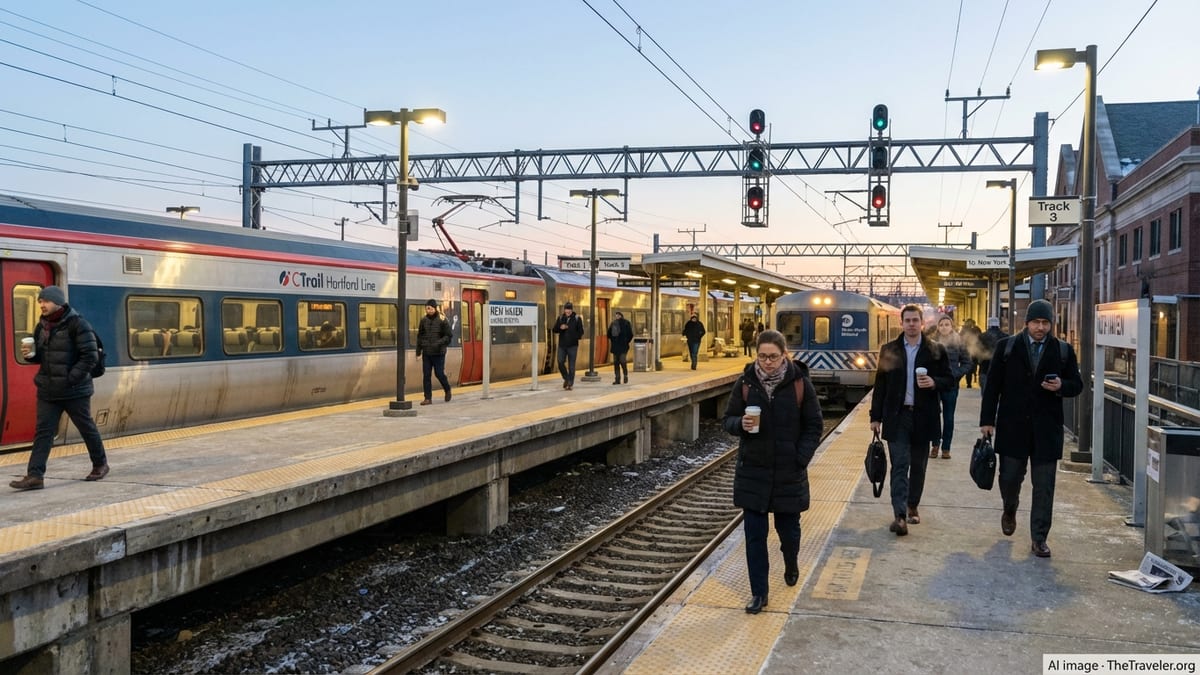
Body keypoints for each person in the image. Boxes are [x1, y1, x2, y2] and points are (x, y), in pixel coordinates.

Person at [722, 330, 822, 614]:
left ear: (784, 355)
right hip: (753, 471)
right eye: (762, 356)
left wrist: (800, 458)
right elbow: (727, 420)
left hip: (788, 472)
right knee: (755, 535)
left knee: (788, 532)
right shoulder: (745, 383)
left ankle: (791, 562)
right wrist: (739, 423)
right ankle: (759, 593)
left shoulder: (799, 383)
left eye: (773, 357)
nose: (767, 362)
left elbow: (814, 424)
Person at [980, 299, 1082, 558]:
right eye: (1036, 322)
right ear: (1026, 324)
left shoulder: (1063, 351)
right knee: (1009, 478)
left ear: (1051, 324)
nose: (1040, 327)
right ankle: (1009, 508)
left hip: (1047, 431)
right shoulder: (1007, 347)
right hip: (1013, 427)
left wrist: (1061, 386)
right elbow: (992, 387)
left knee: (1044, 486)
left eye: (1045, 323)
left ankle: (1039, 538)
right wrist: (987, 421)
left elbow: (1077, 384)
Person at [10, 285, 109, 491]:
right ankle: (35, 476)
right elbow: (43, 356)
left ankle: (100, 464)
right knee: (43, 432)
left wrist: (70, 379)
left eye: (45, 301)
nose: (42, 305)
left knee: (86, 427)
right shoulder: (42, 326)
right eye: (40, 302)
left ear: (58, 302)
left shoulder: (77, 324)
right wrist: (31, 355)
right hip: (48, 390)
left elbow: (90, 356)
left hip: (75, 390)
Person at [869, 304, 953, 534]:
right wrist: (875, 417)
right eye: (908, 320)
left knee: (918, 466)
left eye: (916, 320)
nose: (912, 324)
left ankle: (912, 505)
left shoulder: (935, 350)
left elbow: (949, 379)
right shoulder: (889, 350)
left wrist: (935, 382)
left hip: (924, 416)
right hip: (898, 416)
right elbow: (881, 385)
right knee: (899, 465)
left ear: (922, 323)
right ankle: (899, 515)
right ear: (902, 323)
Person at [929, 315, 973, 460]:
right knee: (934, 416)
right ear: (938, 327)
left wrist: (956, 375)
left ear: (951, 326)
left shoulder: (959, 343)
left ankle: (946, 448)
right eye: (941, 324)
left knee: (949, 418)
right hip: (934, 384)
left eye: (947, 324)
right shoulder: (931, 342)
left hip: (951, 385)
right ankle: (935, 445)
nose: (944, 327)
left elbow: (967, 363)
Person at [416, 299, 452, 405]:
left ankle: (447, 389)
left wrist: (439, 343)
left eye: (430, 308)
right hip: (427, 353)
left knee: (439, 373)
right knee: (426, 375)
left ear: (435, 308)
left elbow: (448, 336)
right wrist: (418, 352)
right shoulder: (423, 320)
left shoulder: (442, 319)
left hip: (439, 353)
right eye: (427, 308)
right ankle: (428, 398)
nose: (429, 310)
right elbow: (420, 336)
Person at [552, 302, 584, 390]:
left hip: (573, 346)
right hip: (562, 345)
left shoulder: (577, 319)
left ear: (572, 310)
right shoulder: (560, 318)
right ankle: (566, 378)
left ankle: (570, 383)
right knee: (560, 362)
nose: (568, 311)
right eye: (566, 309)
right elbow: (554, 330)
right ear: (564, 310)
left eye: (569, 309)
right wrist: (560, 328)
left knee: (571, 366)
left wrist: (572, 333)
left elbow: (581, 332)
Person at [978, 317, 1008, 392]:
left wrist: (978, 362)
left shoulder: (981, 336)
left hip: (985, 367)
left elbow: (976, 352)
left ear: (988, 324)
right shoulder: (1005, 337)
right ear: (998, 325)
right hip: (1001, 369)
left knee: (985, 394)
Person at [608, 311, 633, 385]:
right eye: (616, 316)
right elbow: (609, 334)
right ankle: (618, 378)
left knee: (620, 362)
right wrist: (626, 342)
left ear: (620, 316)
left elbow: (630, 334)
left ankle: (623, 376)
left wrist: (625, 341)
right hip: (619, 346)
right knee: (619, 362)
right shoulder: (615, 323)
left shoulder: (623, 323)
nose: (617, 317)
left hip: (619, 346)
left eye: (618, 315)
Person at [959, 318, 982, 388]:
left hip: (968, 350)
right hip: (974, 350)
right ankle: (972, 377)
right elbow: (980, 338)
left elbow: (960, 339)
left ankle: (969, 382)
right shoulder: (976, 329)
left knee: (968, 367)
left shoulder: (963, 330)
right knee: (973, 366)